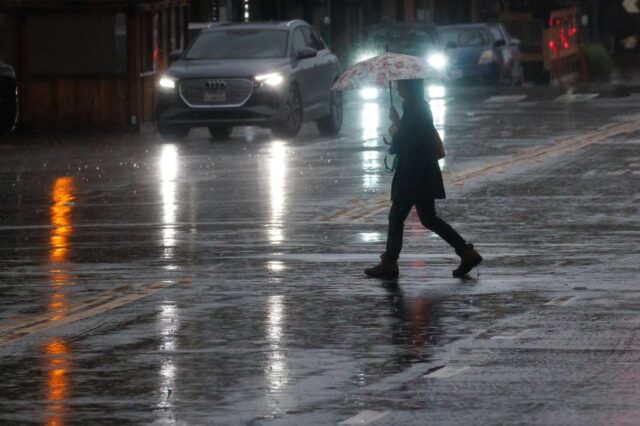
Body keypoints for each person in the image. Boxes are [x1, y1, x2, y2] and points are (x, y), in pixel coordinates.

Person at [364, 79, 482, 278]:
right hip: (422, 172)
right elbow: (411, 135)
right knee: (428, 218)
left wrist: (396, 127)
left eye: (400, 84)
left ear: (409, 87)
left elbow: (408, 140)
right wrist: (398, 124)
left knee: (397, 216)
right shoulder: (416, 106)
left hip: (413, 173)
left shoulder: (416, 108)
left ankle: (390, 262)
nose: (397, 86)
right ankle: (466, 252)